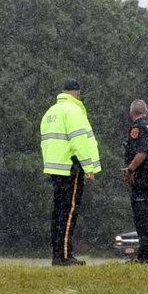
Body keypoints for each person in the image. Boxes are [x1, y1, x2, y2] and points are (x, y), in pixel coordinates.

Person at [39, 78, 101, 265]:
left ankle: (57, 254)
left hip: (55, 168)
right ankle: (64, 256)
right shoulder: (73, 111)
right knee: (69, 211)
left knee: (58, 212)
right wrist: (88, 167)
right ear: (77, 93)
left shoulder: (51, 112)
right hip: (71, 167)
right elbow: (79, 141)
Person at [121, 100, 148, 263]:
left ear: (132, 113)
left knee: (142, 220)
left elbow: (142, 152)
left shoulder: (138, 128)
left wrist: (130, 169)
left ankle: (147, 257)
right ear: (146, 112)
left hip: (141, 179)